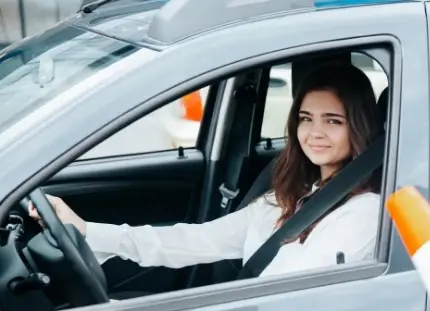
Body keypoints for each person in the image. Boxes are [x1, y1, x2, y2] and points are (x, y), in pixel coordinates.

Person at [29, 63, 383, 280]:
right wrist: (88, 231)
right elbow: (198, 240)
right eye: (306, 119)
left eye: (333, 121)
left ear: (360, 126)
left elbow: (289, 297)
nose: (314, 133)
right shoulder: (293, 194)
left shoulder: (363, 212)